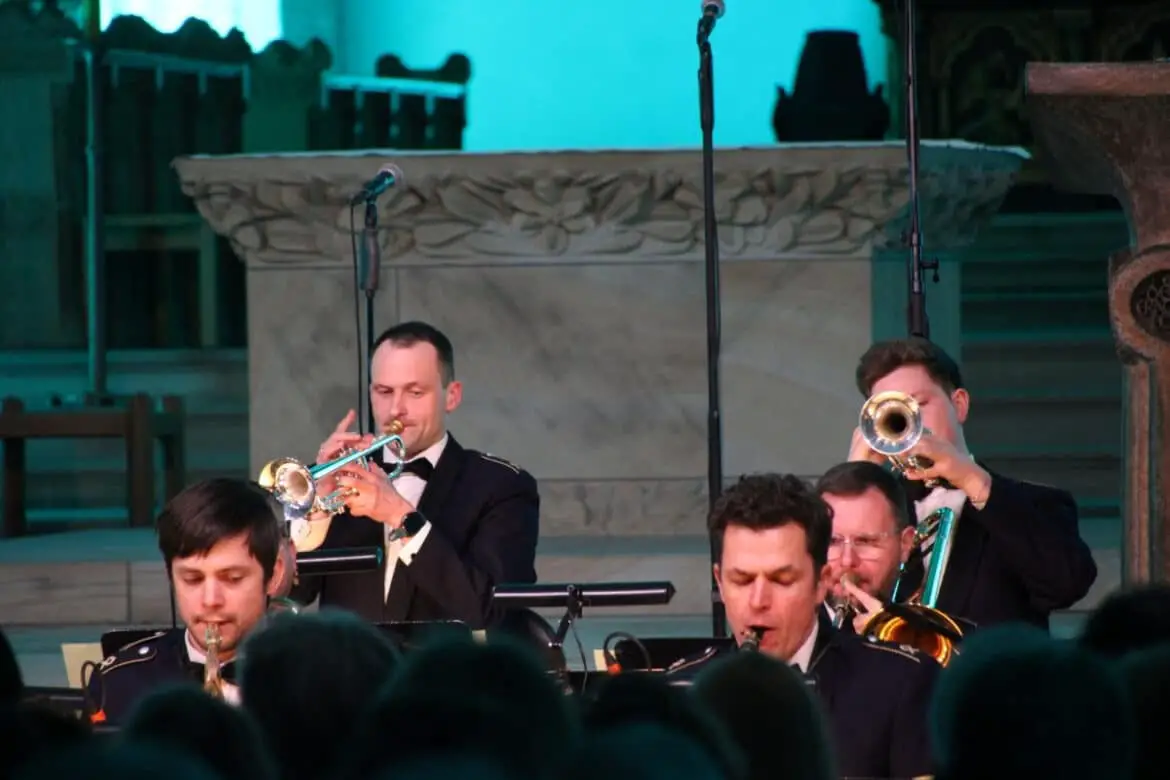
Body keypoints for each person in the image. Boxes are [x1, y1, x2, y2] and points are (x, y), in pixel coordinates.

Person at [667, 473, 939, 780]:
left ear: (821, 583)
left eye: (782, 580)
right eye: (741, 580)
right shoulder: (679, 694)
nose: (758, 601)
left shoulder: (900, 683)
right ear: (719, 581)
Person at [287, 321, 540, 629]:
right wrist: (316, 511)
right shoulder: (341, 477)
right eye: (384, 391)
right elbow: (292, 594)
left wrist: (400, 516)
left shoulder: (501, 486)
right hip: (351, 660)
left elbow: (489, 611)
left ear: (452, 396)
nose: (396, 409)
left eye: (415, 392)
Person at [848, 337, 1097, 630]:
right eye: (892, 411)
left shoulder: (1037, 504)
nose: (909, 423)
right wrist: (852, 488)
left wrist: (971, 479)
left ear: (959, 405)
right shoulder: (879, 511)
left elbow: (1067, 584)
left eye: (918, 404)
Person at [85, 478, 293, 725]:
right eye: (192, 579)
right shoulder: (120, 682)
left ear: (274, 574)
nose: (211, 600)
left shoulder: (315, 680)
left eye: (233, 578)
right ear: (170, 576)